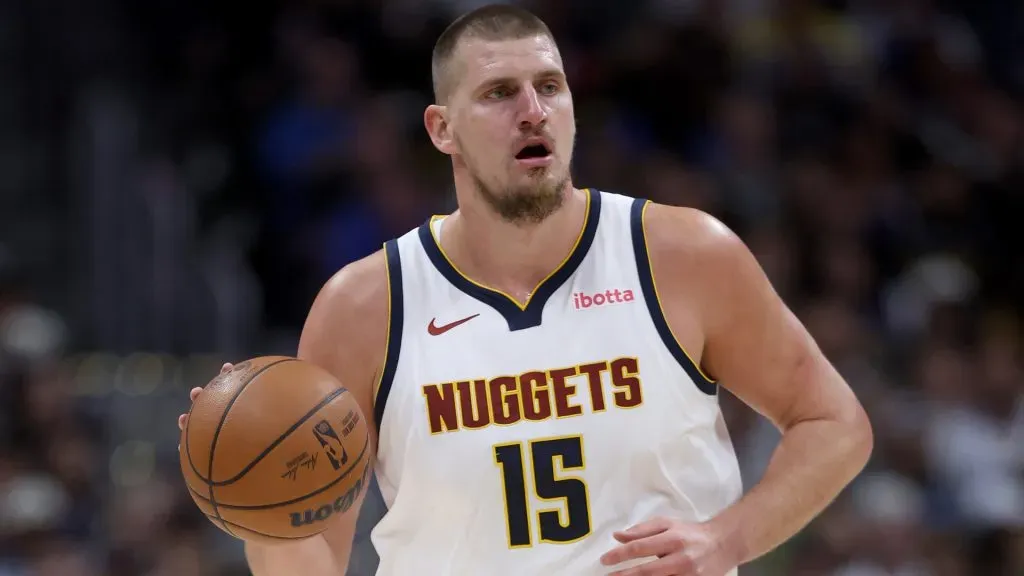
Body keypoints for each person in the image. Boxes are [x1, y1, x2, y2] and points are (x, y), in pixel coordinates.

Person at [177, 4, 873, 575]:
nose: (534, 110)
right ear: (442, 129)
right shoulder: (364, 307)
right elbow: (314, 558)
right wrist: (253, 485)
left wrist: (727, 539)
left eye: (550, 86)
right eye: (499, 93)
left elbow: (834, 424)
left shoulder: (683, 255)